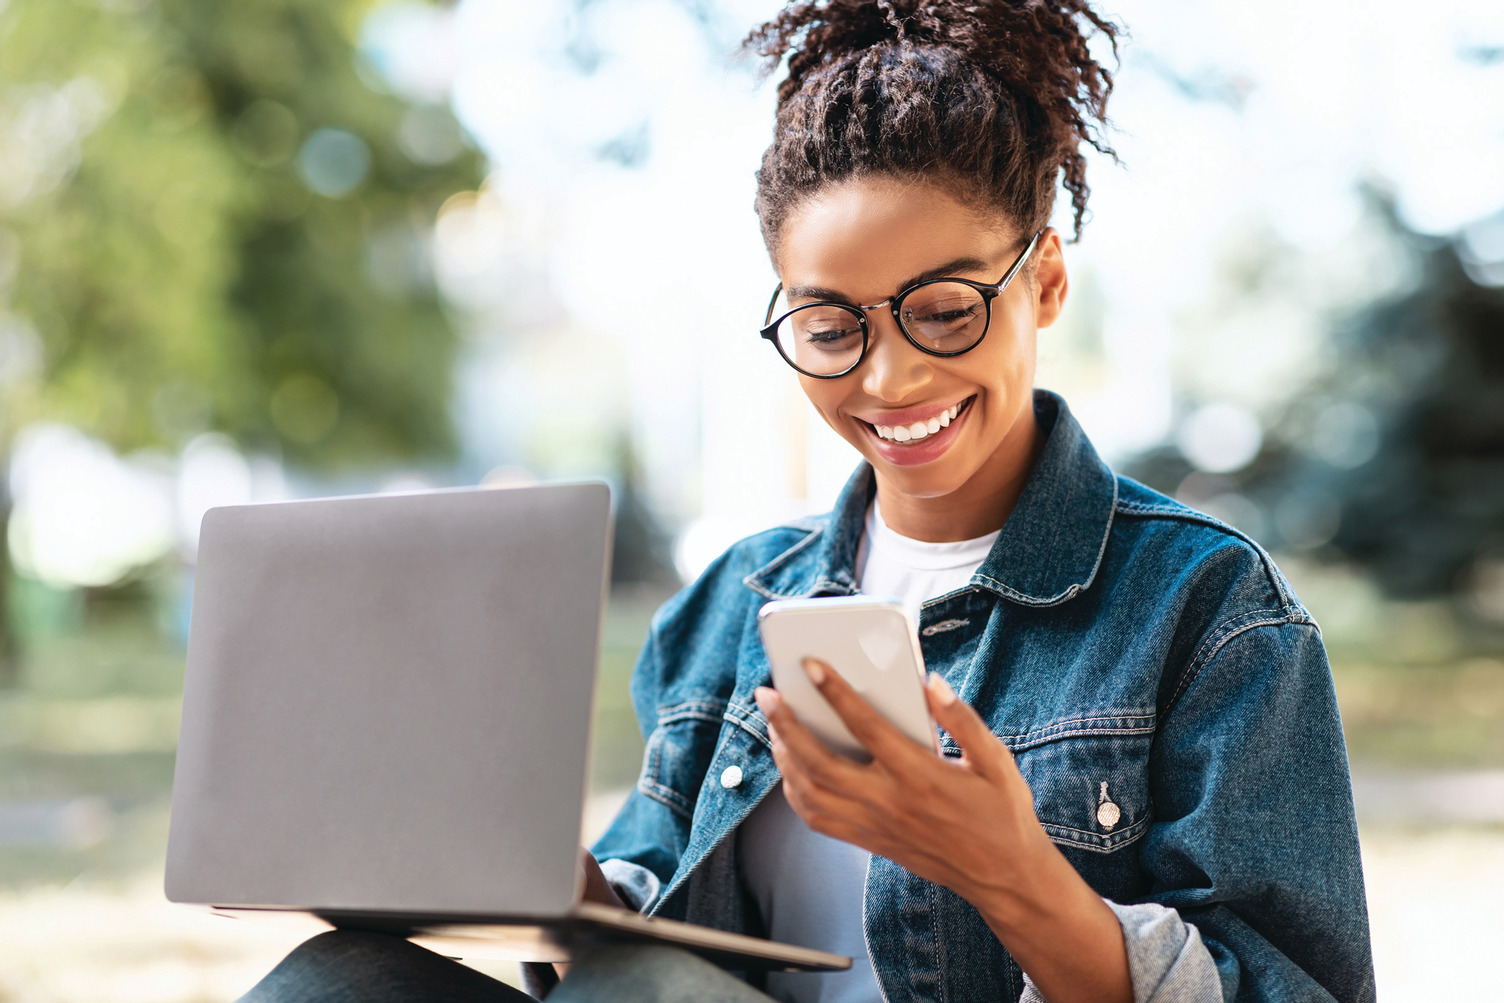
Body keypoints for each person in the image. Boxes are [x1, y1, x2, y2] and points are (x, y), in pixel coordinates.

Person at [240, 1, 1377, 1001]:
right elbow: (640, 942)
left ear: (1042, 280)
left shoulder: (1205, 606)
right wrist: (530, 878)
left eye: (945, 310)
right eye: (831, 328)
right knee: (336, 978)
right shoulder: (730, 603)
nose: (889, 379)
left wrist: (1010, 871)